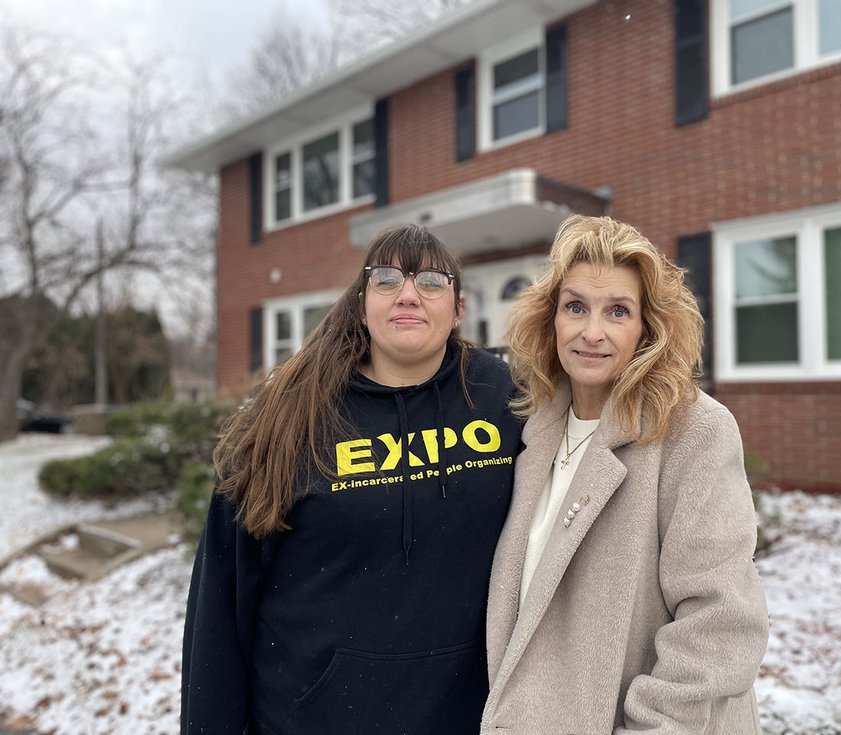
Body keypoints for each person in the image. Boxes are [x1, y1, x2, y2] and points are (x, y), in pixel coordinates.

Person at [181, 225, 522, 735]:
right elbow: (221, 606)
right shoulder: (289, 418)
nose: (408, 293)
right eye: (387, 279)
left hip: (471, 717)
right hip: (310, 717)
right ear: (363, 302)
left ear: (459, 309)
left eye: (431, 281)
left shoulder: (508, 401)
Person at [482, 215, 769, 733]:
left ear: (647, 327)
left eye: (618, 311)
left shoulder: (693, 431)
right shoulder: (532, 427)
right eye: (576, 308)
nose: (593, 332)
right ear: (552, 320)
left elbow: (721, 623)